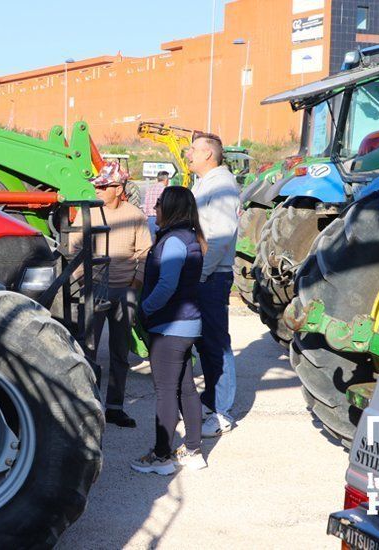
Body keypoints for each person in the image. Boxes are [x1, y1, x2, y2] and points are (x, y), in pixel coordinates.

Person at [131, 186, 208, 475]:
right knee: (186, 389)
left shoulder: (174, 241)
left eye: (160, 204)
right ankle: (192, 450)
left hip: (170, 326)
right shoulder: (189, 237)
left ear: (172, 208)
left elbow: (167, 285)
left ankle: (162, 456)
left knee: (165, 392)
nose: (155, 209)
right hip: (187, 326)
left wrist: (145, 309)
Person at [70, 161, 152, 428]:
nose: (98, 190)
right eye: (98, 186)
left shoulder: (135, 215)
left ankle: (114, 407)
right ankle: (86, 407)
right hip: (95, 289)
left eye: (104, 186)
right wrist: (84, 278)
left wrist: (136, 280)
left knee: (119, 352)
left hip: (125, 291)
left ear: (119, 188)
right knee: (88, 349)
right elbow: (73, 248)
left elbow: (144, 252)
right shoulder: (88, 214)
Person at [186, 133, 240, 438]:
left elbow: (219, 235)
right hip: (206, 274)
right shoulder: (206, 183)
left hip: (211, 276)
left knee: (217, 342)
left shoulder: (220, 185)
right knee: (206, 342)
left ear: (209, 155)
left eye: (193, 150)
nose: (189, 153)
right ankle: (212, 400)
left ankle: (222, 412)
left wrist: (201, 274)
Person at [142, 170, 170, 235]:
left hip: (149, 220)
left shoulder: (149, 189)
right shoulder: (165, 190)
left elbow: (145, 207)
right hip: (161, 220)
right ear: (166, 180)